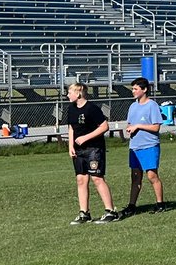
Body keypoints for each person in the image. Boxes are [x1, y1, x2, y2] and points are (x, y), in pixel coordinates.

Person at [66, 82, 119, 225]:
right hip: (79, 150)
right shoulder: (71, 108)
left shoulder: (91, 108)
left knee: (97, 178)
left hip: (94, 149)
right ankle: (84, 213)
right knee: (81, 180)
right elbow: (71, 127)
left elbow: (104, 126)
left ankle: (111, 211)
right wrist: (71, 145)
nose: (67, 95)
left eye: (70, 92)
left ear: (78, 93)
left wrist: (85, 138)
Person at [123, 77, 165, 215]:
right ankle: (131, 205)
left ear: (144, 89)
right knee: (135, 177)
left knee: (152, 176)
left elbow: (156, 127)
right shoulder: (132, 106)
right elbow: (130, 123)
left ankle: (160, 204)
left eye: (135, 89)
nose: (133, 91)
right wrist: (130, 128)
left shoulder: (152, 105)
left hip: (149, 146)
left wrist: (138, 126)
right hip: (135, 147)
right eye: (133, 89)